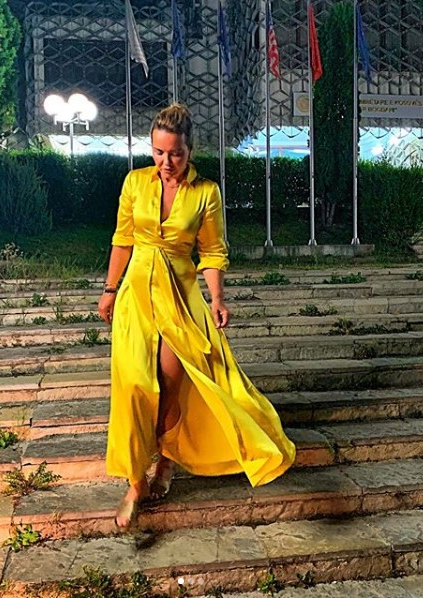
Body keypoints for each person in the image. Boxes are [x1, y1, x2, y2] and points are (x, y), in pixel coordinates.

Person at [98, 104, 295, 530]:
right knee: (133, 385)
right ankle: (135, 484)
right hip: (136, 294)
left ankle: (166, 460)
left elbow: (213, 251)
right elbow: (122, 239)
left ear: (190, 150)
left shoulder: (206, 192)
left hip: (181, 296)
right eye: (158, 152)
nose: (166, 162)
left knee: (170, 385)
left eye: (175, 154)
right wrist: (110, 290)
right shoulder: (135, 182)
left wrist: (217, 297)